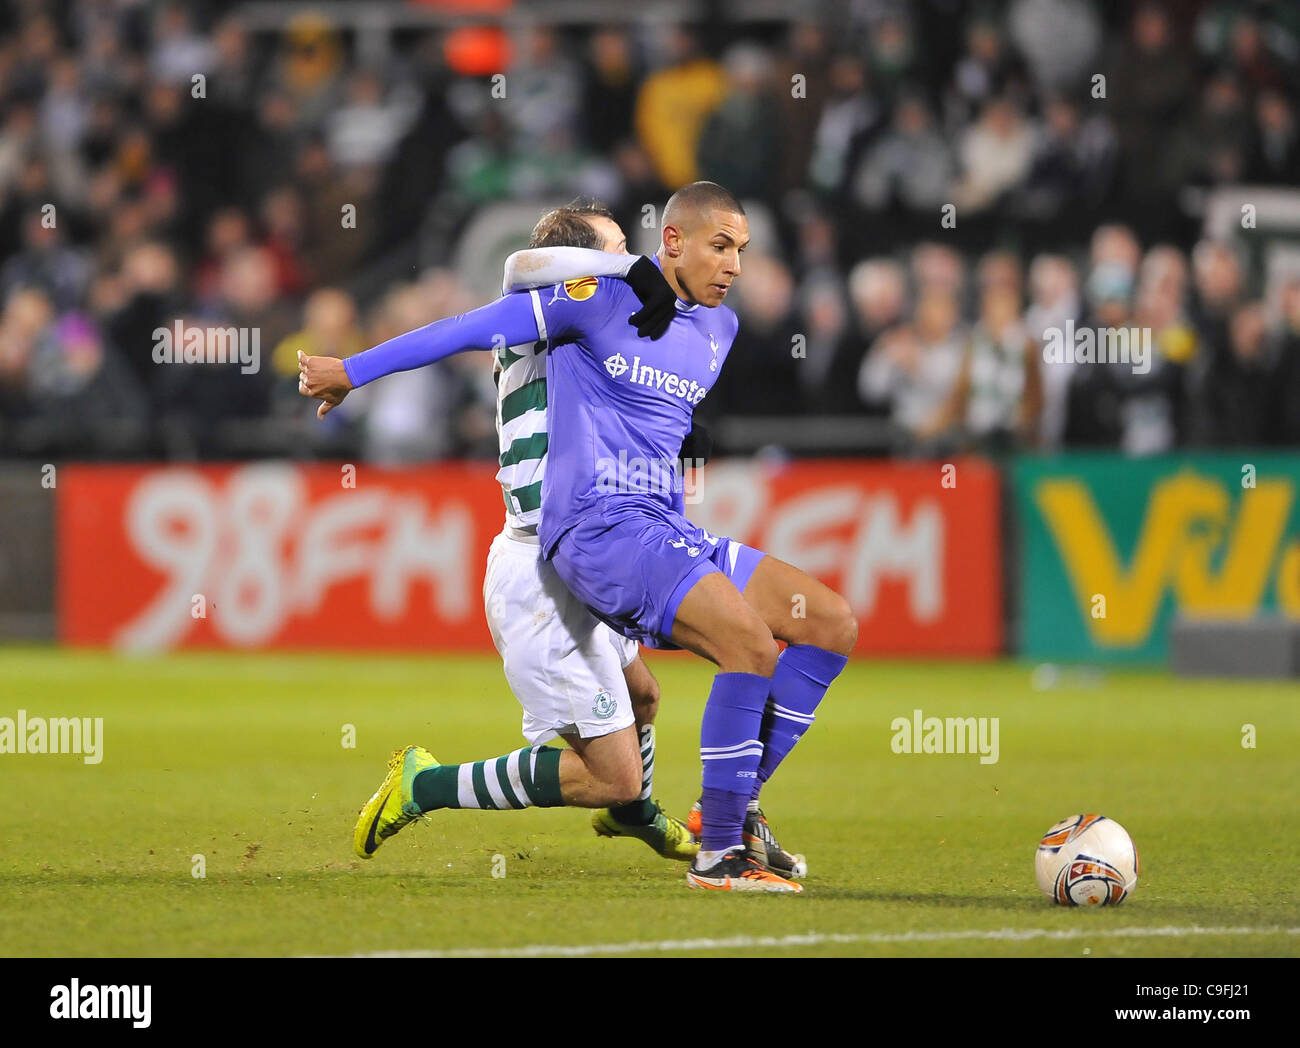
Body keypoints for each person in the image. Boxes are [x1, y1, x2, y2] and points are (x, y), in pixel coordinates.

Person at [302, 182, 857, 894]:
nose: (736, 266)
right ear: (673, 242)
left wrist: (685, 444)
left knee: (827, 623)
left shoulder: (716, 331)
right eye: (721, 246)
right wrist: (351, 370)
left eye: (742, 251)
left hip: (653, 530)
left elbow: (659, 402)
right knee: (702, 687)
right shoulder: (583, 301)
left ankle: (730, 813)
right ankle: (717, 851)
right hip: (571, 541)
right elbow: (496, 296)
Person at [303, 200, 697, 862]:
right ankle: (425, 785)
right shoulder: (541, 309)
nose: (629, 257)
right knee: (611, 772)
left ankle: (632, 814)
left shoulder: (587, 325)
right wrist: (352, 371)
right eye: (613, 247)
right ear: (578, 263)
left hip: (585, 557)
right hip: (542, 572)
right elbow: (509, 276)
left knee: (643, 694)